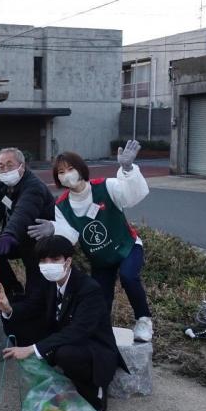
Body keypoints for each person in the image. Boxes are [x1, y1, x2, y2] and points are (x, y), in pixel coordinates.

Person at [27, 140, 154, 342]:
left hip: (127, 247)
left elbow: (133, 196)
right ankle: (101, 331)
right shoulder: (62, 205)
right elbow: (70, 237)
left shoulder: (106, 186)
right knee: (100, 296)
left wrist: (128, 169)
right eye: (61, 172)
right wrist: (54, 229)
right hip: (100, 258)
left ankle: (143, 320)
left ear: (81, 169)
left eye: (70, 168)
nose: (67, 174)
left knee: (129, 276)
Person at [0, 236, 127, 411]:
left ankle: (95, 390)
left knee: (66, 354)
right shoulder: (47, 282)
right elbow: (33, 306)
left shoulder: (88, 289)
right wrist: (8, 308)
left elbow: (79, 331)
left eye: (55, 259)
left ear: (68, 261)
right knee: (17, 323)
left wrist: (33, 349)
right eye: (43, 260)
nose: (48, 264)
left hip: (93, 347)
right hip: (62, 335)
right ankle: (54, 377)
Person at [0, 147, 54, 304]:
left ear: (22, 166)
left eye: (10, 165)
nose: (5, 169)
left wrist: (8, 234)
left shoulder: (33, 186)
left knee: (35, 286)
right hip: (17, 236)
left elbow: (23, 213)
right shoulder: (2, 184)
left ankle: (36, 309)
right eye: (1, 166)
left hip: (39, 239)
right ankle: (12, 288)